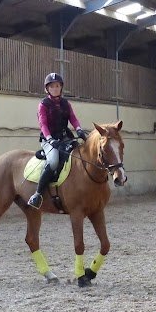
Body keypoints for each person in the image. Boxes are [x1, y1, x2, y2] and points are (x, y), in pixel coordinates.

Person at [27, 72, 88, 209]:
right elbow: (43, 124)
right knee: (54, 161)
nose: (55, 88)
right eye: (52, 86)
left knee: (79, 154)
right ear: (47, 89)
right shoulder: (43, 104)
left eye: (57, 86)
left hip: (64, 137)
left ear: (61, 87)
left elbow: (72, 118)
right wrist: (50, 139)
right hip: (49, 139)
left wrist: (78, 129)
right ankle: (37, 195)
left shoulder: (66, 103)